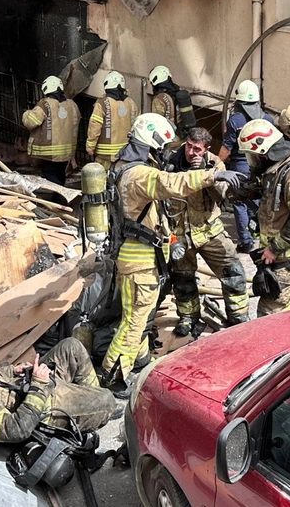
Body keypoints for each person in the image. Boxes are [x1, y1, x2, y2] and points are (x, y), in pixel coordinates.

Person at [100, 113, 243, 397]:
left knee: (141, 315)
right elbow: (170, 184)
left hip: (139, 253)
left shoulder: (121, 165)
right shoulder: (140, 174)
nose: (163, 153)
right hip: (138, 259)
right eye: (160, 148)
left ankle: (139, 362)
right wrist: (211, 175)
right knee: (135, 320)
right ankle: (112, 375)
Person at [0, 338, 118, 443]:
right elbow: (15, 430)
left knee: (71, 347)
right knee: (108, 401)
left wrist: (13, 370)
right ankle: (98, 411)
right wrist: (38, 386)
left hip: (29, 386)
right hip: (40, 411)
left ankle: (88, 406)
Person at [165, 126, 249, 336]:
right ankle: (188, 318)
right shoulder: (170, 161)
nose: (191, 152)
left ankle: (238, 319)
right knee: (182, 279)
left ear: (206, 149)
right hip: (179, 232)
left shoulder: (214, 163)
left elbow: (222, 196)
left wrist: (206, 173)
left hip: (209, 230)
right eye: (189, 147)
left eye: (197, 149)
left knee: (233, 272)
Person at [235, 119, 290, 316]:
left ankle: (273, 346)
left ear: (264, 150)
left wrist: (274, 249)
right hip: (286, 257)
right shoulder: (276, 166)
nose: (252, 161)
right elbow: (268, 191)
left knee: (269, 312)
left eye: (253, 156)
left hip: (286, 256)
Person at [217, 79, 270, 253]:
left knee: (239, 201)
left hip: (240, 164)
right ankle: (256, 232)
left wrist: (215, 165)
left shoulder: (235, 120)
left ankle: (246, 241)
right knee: (257, 198)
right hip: (263, 166)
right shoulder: (267, 118)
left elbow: (226, 147)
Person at [22, 75, 80, 184]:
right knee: (60, 174)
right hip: (67, 152)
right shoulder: (72, 105)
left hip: (49, 153)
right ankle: (59, 197)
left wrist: (26, 113)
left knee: (50, 175)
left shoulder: (45, 104)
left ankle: (57, 197)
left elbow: (30, 122)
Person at [86, 71, 135, 170]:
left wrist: (90, 147)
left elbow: (95, 127)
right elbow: (135, 125)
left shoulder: (102, 103)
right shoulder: (130, 102)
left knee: (101, 180)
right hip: (125, 153)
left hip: (105, 155)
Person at [148, 65, 185, 136]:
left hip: (167, 138)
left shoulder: (159, 99)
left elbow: (157, 122)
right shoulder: (178, 93)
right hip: (181, 135)